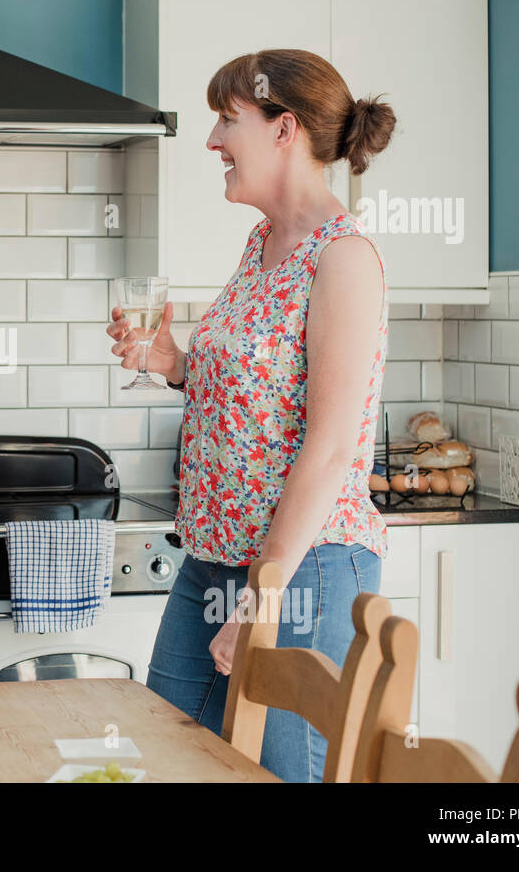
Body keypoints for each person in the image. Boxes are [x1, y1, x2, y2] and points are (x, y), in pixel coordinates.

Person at [108, 49, 396, 782]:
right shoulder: (262, 244)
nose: (211, 141)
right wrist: (172, 362)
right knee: (168, 758)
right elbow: (254, 393)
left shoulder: (344, 260)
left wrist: (263, 595)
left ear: (283, 130)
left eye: (226, 120)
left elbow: (330, 448)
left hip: (304, 566)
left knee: (285, 774)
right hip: (213, 561)